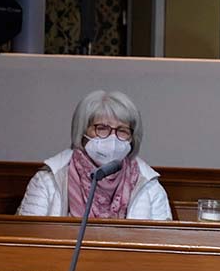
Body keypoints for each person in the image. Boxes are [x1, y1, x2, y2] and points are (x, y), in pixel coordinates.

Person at [17, 90, 172, 220]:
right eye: (102, 128)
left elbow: (162, 248)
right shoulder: (49, 180)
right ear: (83, 131)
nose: (112, 138)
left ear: (132, 138)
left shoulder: (148, 185)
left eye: (122, 130)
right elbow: (27, 243)